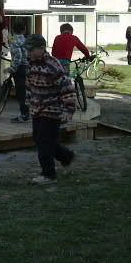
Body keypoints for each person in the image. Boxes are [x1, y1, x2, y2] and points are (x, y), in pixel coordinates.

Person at [24, 34, 76, 185]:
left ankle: (48, 174)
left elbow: (66, 87)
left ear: (41, 48)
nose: (28, 53)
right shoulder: (30, 63)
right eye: (27, 50)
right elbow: (29, 84)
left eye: (31, 50)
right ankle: (66, 156)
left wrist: (69, 110)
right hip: (37, 108)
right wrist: (29, 101)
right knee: (39, 138)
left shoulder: (53, 65)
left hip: (52, 109)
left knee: (44, 141)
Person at [7, 23, 30, 123]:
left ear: (13, 30)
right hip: (27, 67)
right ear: (24, 30)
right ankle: (29, 112)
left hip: (20, 68)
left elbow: (18, 56)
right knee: (27, 91)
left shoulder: (13, 40)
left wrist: (12, 68)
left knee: (21, 92)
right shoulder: (26, 40)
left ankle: (24, 114)